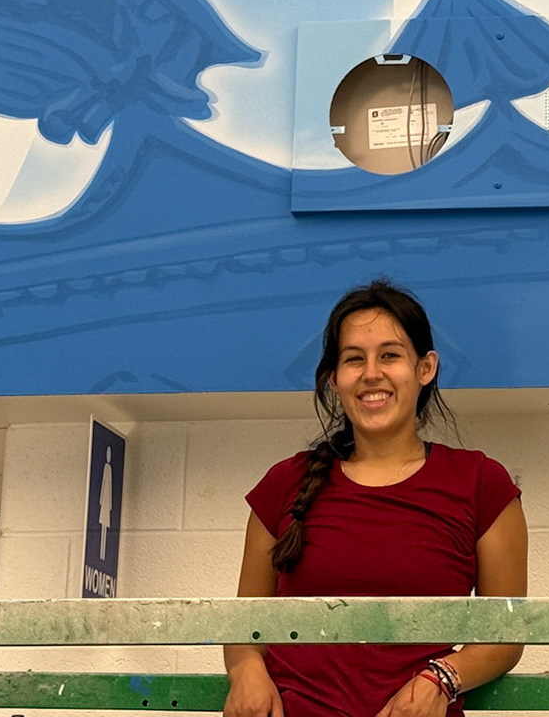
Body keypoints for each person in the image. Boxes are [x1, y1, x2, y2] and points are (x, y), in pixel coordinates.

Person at [223, 280, 527, 717]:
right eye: (353, 359)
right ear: (334, 378)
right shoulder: (282, 484)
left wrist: (442, 678)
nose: (371, 373)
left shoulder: (482, 484)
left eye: (390, 355)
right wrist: (247, 670)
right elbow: (243, 626)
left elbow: (505, 635)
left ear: (425, 368)